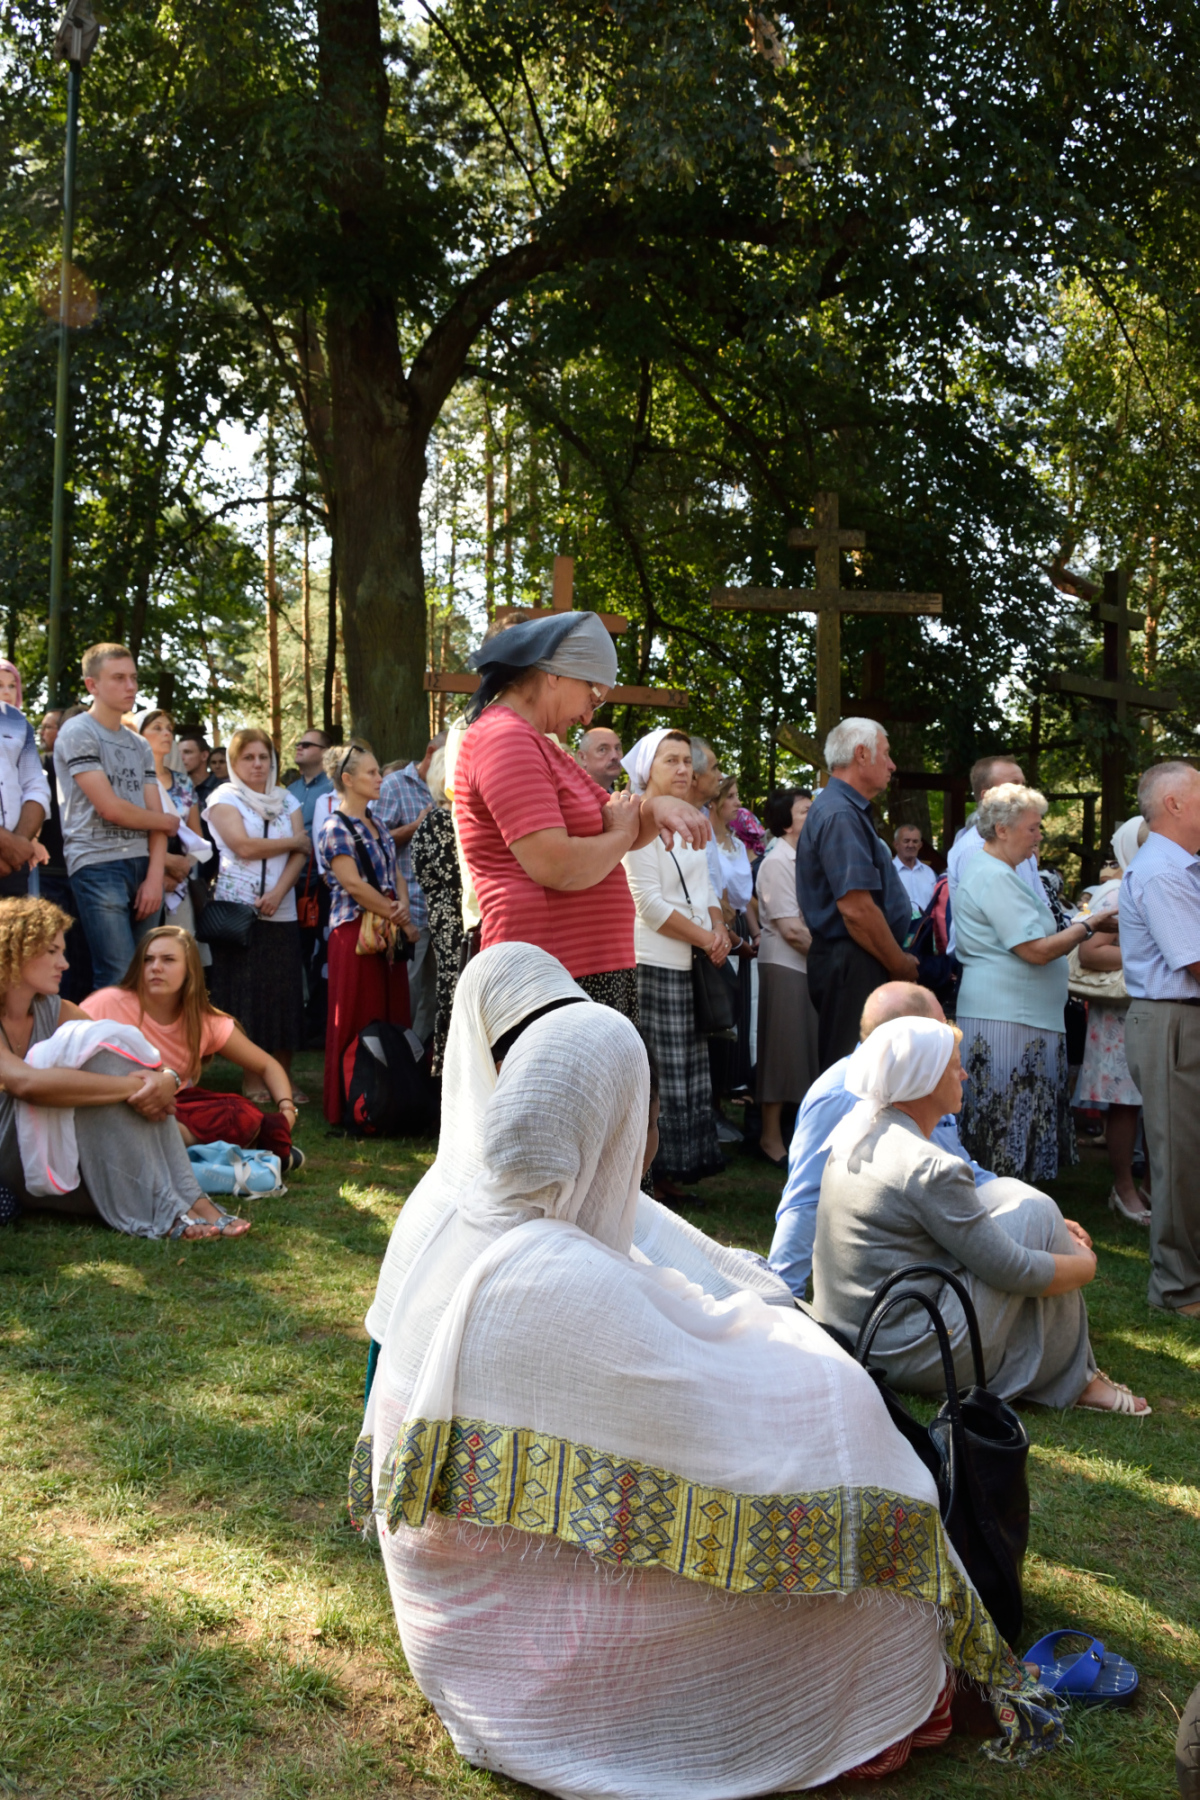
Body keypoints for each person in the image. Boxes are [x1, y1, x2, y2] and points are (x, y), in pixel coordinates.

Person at [358, 1003, 1063, 1795]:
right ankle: (856, 1701)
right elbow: (709, 1414)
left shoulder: (483, 1219)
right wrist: (807, 1368)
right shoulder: (552, 1274)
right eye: (648, 1117)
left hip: (463, 1633)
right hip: (527, 1658)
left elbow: (677, 1292)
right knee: (876, 1511)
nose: (652, 1140)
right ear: (614, 1124)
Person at [363, 942, 794, 1387]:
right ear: (479, 1056)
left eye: (560, 1024)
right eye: (522, 1044)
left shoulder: (483, 1197)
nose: (544, 1057)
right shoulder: (468, 1227)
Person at [813, 1015, 1148, 1413]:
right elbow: (1011, 1269)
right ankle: (1078, 1380)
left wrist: (1054, 1228)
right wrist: (1085, 1266)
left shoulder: (862, 1131)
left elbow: (965, 1214)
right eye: (956, 1066)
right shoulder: (925, 1166)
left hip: (860, 1334)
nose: (966, 1075)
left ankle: (1074, 1375)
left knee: (1027, 1203)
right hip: (907, 1352)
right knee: (1037, 1214)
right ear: (927, 1080)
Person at [454, 612, 707, 1021]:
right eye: (593, 697)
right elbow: (557, 865)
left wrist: (658, 807)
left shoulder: (541, 743)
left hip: (577, 969)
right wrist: (623, 834)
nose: (590, 717)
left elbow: (619, 817)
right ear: (556, 674)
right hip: (548, 972)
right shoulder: (506, 738)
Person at [0, 897, 249, 1239]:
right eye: (52, 952)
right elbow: (25, 1084)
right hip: (9, 1153)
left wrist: (165, 1078)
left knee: (102, 1051)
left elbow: (119, 1055)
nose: (65, 963)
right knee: (99, 1067)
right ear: (19, 952)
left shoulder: (55, 1009)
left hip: (48, 1146)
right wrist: (136, 1088)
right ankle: (171, 1206)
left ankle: (189, 1198)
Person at [769, 981, 994, 1298]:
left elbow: (962, 1165)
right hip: (885, 1285)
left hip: (926, 1254)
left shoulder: (924, 1087)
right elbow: (806, 1201)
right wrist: (780, 1301)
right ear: (906, 1040)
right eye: (940, 1030)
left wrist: (1019, 1202)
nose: (950, 1041)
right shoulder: (839, 1095)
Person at [954, 782, 1115, 1183]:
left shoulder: (999, 872)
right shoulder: (993, 875)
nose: (1039, 836)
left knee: (1014, 1123)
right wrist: (1088, 925)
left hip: (1021, 1016)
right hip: (1009, 1019)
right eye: (1033, 828)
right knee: (1006, 1124)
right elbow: (1036, 950)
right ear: (1003, 829)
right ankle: (1005, 1220)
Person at [79, 925, 304, 1173]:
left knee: (237, 1111)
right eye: (148, 959)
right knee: (157, 1123)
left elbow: (267, 1065)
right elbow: (63, 1049)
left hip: (173, 1111)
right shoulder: (108, 1002)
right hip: (114, 1103)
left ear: (189, 970)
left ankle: (208, 1153)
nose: (155, 967)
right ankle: (240, 1153)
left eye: (168, 960)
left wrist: (287, 1110)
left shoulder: (204, 1020)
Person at [622, 729, 726, 1206]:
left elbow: (704, 891)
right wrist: (706, 938)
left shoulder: (693, 822)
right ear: (647, 770)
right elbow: (648, 904)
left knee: (682, 1071)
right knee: (657, 1076)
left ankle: (667, 1175)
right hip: (651, 962)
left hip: (687, 962)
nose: (683, 770)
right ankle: (645, 1179)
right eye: (671, 761)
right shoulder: (638, 824)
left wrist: (719, 928)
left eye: (687, 761)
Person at [1120, 761, 1200, 1316]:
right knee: (1179, 1158)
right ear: (1174, 804)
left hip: (1181, 1018)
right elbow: (1195, 960)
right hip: (1172, 1020)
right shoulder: (1163, 872)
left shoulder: (1181, 867)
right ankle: (1176, 1291)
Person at [795, 718, 916, 1070]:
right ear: (862, 754)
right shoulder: (840, 814)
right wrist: (900, 964)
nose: (892, 765)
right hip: (853, 962)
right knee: (854, 1076)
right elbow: (857, 910)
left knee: (867, 1072)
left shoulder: (844, 810)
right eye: (887, 753)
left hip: (856, 959)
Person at [53, 644, 175, 987]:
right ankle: (107, 1044)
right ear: (92, 685)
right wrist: (165, 822)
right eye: (119, 678)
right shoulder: (77, 732)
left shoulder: (138, 745)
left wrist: (154, 877)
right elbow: (111, 809)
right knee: (117, 975)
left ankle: (140, 1044)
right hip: (96, 863)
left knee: (148, 978)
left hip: (142, 863)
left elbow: (154, 812)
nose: (131, 687)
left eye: (133, 678)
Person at [204, 727, 309, 1105]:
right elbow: (242, 846)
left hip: (280, 912)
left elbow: (302, 853)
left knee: (283, 997)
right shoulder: (223, 797)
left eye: (263, 757)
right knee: (245, 998)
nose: (257, 764)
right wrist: (293, 841)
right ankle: (252, 1076)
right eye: (248, 757)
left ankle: (283, 1074)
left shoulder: (287, 800)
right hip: (238, 914)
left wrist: (280, 892)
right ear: (234, 763)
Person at [316, 739, 415, 1126]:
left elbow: (396, 876)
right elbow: (353, 886)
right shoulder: (334, 827)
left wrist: (401, 906)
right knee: (355, 1015)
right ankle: (349, 1104)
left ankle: (387, 1100)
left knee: (391, 1012)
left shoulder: (376, 823)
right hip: (354, 935)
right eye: (371, 773)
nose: (380, 778)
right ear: (347, 779)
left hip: (385, 930)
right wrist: (403, 920)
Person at [1071, 816, 1150, 1226]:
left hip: (1150, 1007)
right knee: (1125, 1104)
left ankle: (1152, 1187)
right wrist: (1152, 958)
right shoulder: (1117, 892)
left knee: (1155, 1103)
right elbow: (1089, 953)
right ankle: (1123, 1190)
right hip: (1121, 1012)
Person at [755, 786, 820, 1163]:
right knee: (781, 1050)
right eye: (804, 812)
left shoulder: (805, 858)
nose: (812, 817)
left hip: (807, 964)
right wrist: (830, 956)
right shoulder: (777, 861)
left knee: (803, 1050)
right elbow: (791, 928)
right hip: (785, 963)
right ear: (785, 822)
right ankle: (769, 1136)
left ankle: (800, 1133)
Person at [376, 732, 445, 1045]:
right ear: (431, 752)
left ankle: (420, 1062)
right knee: (408, 990)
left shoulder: (458, 786)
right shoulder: (394, 785)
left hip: (447, 911)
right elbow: (375, 843)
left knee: (436, 994)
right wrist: (416, 827)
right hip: (411, 909)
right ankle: (397, 1058)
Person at [409, 746, 464, 1074]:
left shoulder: (451, 819)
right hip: (454, 926)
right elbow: (459, 879)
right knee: (454, 1001)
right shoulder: (441, 821)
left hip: (458, 924)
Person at [138, 711, 212, 943]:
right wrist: (162, 867)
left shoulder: (183, 782)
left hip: (178, 885)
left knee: (177, 951)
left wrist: (179, 872)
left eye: (169, 728)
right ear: (138, 735)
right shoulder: (132, 778)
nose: (167, 733)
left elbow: (197, 840)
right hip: (140, 878)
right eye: (157, 727)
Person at [705, 773, 756, 1109]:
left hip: (739, 924)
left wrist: (755, 932)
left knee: (739, 1006)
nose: (738, 803)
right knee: (718, 1005)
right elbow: (713, 889)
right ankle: (716, 1094)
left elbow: (747, 897)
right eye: (733, 796)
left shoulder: (737, 844)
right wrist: (727, 928)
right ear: (717, 800)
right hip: (718, 924)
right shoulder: (704, 837)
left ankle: (731, 1084)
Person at [286, 726, 334, 1040]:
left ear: (324, 752)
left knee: (320, 955)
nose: (299, 747)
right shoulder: (289, 790)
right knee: (295, 954)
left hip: (321, 886)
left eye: (307, 744)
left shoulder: (333, 789)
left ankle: (318, 1022)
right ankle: (297, 1019)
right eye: (298, 743)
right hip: (289, 883)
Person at [0, 661, 50, 902]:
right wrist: (7, 844)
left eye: (12, 685)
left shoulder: (21, 726)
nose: (7, 692)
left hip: (14, 866)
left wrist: (18, 847)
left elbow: (36, 788)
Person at [892, 823, 937, 916]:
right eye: (906, 841)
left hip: (927, 927)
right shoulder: (887, 871)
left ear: (920, 845)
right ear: (896, 844)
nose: (911, 845)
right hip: (898, 928)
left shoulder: (928, 872)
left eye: (915, 841)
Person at [574, 725, 623, 791]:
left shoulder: (615, 797)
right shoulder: (571, 797)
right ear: (582, 758)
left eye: (617, 748)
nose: (615, 756)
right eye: (602, 749)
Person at [689, 734, 721, 810]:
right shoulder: (665, 819)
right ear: (693, 777)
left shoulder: (702, 817)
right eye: (714, 768)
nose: (721, 777)